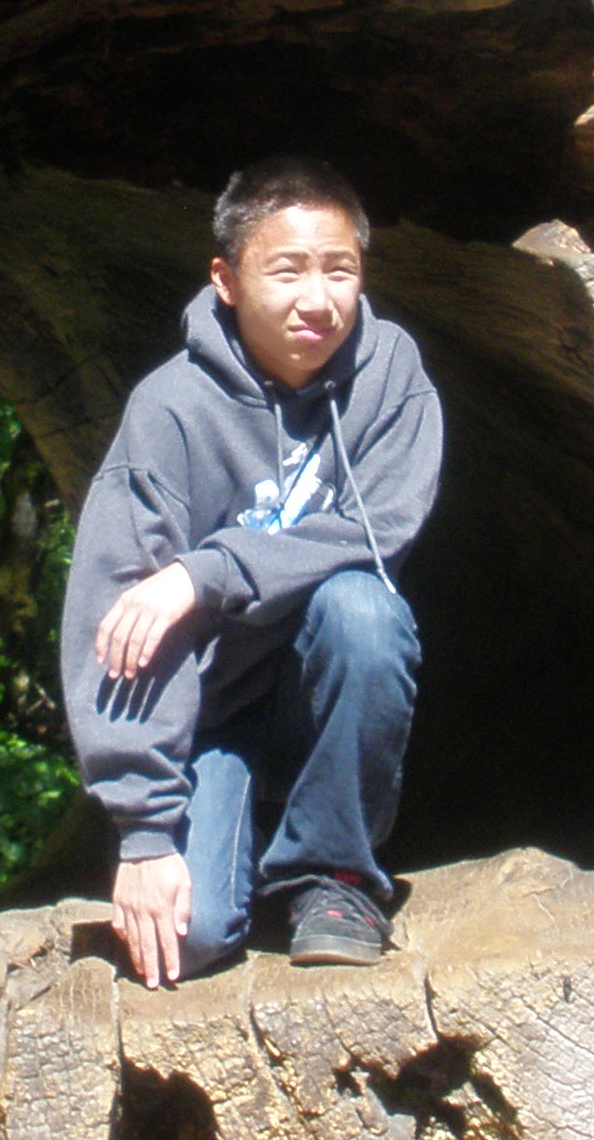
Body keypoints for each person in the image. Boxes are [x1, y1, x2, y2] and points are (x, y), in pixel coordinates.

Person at [61, 156, 441, 983]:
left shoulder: (391, 373)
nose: (320, 299)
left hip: (323, 684)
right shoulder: (170, 409)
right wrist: (144, 835)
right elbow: (118, 627)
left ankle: (332, 872)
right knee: (188, 947)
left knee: (364, 610)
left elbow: (382, 530)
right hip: (213, 712)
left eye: (341, 269)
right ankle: (231, 834)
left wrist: (209, 571)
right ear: (226, 280)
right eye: (288, 270)